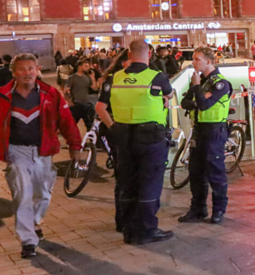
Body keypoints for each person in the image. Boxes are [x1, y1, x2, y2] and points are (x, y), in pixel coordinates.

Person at [0, 54, 83, 258]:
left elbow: (66, 121)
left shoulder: (50, 94)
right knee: (21, 193)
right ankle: (28, 241)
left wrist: (75, 146)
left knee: (43, 194)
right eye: (22, 69)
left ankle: (35, 222)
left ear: (37, 70)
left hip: (43, 151)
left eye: (31, 68)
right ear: (14, 73)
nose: (27, 72)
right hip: (16, 151)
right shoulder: (3, 95)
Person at [95, 40, 174, 245]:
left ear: (129, 54)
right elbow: (169, 94)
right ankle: (146, 229)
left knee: (128, 183)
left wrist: (113, 127)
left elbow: (100, 107)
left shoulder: (114, 78)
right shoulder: (156, 77)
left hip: (123, 136)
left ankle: (129, 229)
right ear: (149, 54)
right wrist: (163, 98)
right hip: (151, 137)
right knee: (150, 182)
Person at [178, 47, 233, 225]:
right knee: (195, 171)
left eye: (196, 59)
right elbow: (184, 103)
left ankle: (219, 209)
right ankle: (198, 208)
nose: (193, 62)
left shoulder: (220, 83)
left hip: (214, 130)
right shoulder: (200, 81)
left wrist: (197, 91)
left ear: (208, 61)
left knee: (215, 171)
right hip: (199, 130)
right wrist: (198, 96)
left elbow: (204, 105)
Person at [64, 60, 98, 129]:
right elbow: (66, 91)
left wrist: (93, 78)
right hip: (76, 105)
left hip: (86, 105)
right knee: (71, 126)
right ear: (80, 67)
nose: (88, 68)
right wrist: (69, 101)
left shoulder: (87, 78)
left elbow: (95, 88)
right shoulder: (72, 78)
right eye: (86, 66)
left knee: (90, 126)